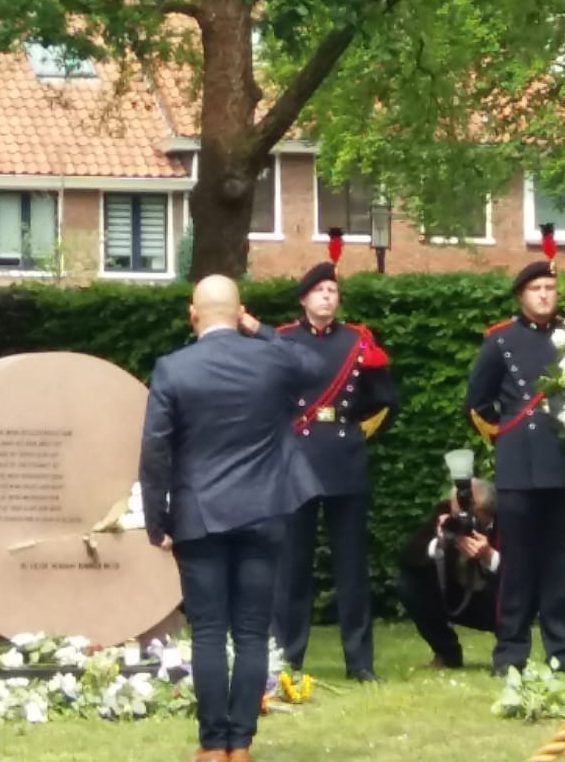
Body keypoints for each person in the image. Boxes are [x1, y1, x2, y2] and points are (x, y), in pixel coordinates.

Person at [139, 274, 326, 762]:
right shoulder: (271, 358)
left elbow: (155, 450)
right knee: (250, 631)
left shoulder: (173, 369)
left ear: (192, 313)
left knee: (206, 631)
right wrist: (261, 329)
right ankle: (240, 744)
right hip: (265, 510)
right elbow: (314, 366)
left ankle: (211, 744)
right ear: (239, 310)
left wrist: (157, 520)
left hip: (199, 514)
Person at [272, 244, 400, 683]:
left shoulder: (357, 343)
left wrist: (354, 429)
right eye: (319, 290)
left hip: (345, 456)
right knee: (292, 565)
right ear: (304, 299)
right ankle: (287, 656)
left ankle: (360, 661)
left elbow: (385, 399)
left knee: (351, 567)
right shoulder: (283, 340)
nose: (327, 297)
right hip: (297, 460)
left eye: (333, 290)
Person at [463, 234, 565, 677]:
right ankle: (510, 654)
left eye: (551, 289)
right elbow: (477, 403)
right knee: (515, 567)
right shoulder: (500, 341)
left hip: (564, 462)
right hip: (519, 464)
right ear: (522, 295)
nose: (545, 295)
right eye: (537, 289)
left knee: (560, 566)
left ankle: (563, 654)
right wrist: (505, 435)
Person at [396, 479, 499, 670]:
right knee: (409, 584)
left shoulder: (505, 521)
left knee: (513, 593)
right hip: (456, 598)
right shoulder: (446, 514)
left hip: (497, 601)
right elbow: (408, 558)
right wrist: (439, 542)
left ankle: (508, 655)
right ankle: (447, 653)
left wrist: (489, 555)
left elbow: (520, 572)